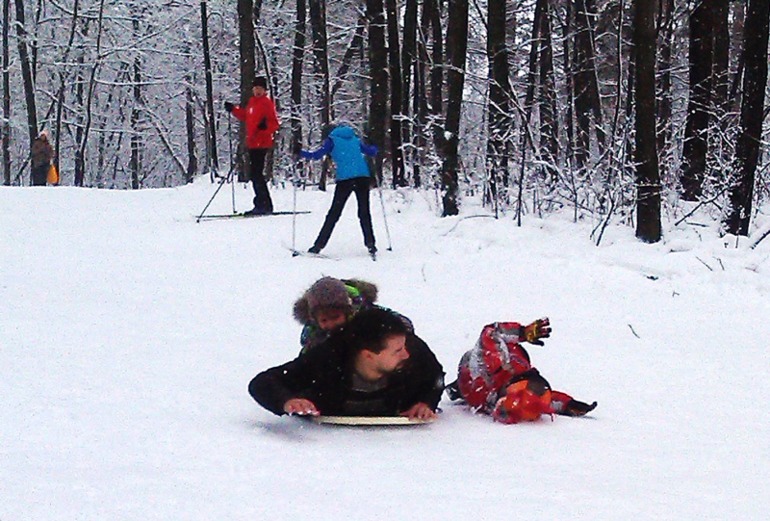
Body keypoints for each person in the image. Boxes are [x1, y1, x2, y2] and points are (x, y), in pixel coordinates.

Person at [248, 307, 445, 419]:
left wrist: (426, 402)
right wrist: (287, 401)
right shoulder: (326, 360)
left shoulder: (412, 351)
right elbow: (264, 382)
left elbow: (434, 377)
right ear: (368, 355)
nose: (406, 355)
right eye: (397, 351)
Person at [447, 318, 597, 424]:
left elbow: (490, 333)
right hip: (495, 370)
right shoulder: (495, 368)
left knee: (493, 368)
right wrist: (568, 404)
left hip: (482, 373)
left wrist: (522, 333)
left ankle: (456, 389)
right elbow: (545, 400)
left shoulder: (491, 367)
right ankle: (456, 389)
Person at [299, 124, 378, 257]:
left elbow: (317, 155)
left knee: (334, 214)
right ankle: (371, 244)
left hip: (345, 179)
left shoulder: (332, 140)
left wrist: (300, 153)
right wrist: (374, 145)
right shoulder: (355, 139)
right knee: (364, 212)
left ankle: (318, 246)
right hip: (363, 177)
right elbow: (372, 152)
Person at [292, 276, 413, 355]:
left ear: (347, 312)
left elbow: (403, 323)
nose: (330, 324)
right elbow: (305, 358)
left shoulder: (366, 314)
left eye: (335, 317)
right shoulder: (314, 333)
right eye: (324, 320)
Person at [224, 76, 279, 215]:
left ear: (264, 90)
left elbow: (274, 124)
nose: (257, 91)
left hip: (262, 142)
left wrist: (264, 127)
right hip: (253, 143)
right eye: (255, 88)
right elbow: (246, 116)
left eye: (260, 88)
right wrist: (233, 110)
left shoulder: (266, 103)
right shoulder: (252, 102)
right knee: (255, 174)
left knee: (256, 174)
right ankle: (263, 204)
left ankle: (263, 205)